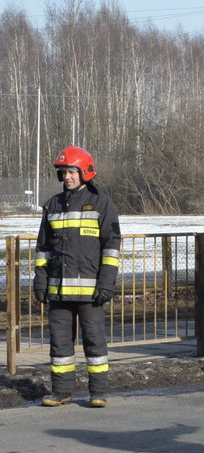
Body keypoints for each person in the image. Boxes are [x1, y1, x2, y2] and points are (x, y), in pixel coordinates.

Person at [33, 146, 121, 408]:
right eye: (64, 172)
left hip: (91, 291)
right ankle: (61, 392)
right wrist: (40, 279)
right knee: (60, 345)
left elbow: (111, 247)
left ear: (85, 173)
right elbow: (43, 249)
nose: (67, 176)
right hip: (58, 291)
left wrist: (106, 283)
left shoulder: (102, 203)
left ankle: (98, 392)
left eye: (72, 171)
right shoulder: (52, 205)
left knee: (94, 342)